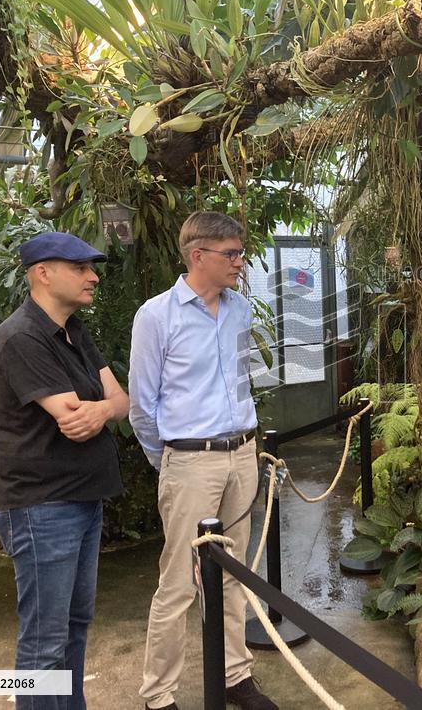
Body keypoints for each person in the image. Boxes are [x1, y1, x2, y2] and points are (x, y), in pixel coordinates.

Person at [129, 212, 276, 710]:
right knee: (178, 583)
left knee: (235, 574)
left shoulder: (240, 310)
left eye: (240, 252)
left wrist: (245, 451)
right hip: (191, 461)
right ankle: (159, 695)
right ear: (198, 256)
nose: (240, 262)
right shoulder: (156, 316)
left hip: (243, 456)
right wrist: (172, 461)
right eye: (231, 254)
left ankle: (236, 677)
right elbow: (141, 406)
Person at [0, 231, 129, 710]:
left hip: (81, 500)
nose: (92, 277)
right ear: (43, 274)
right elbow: (75, 420)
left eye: (92, 267)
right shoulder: (22, 336)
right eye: (80, 268)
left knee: (73, 628)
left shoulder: (74, 331)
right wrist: (102, 407)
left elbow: (120, 401)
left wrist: (105, 409)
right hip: (42, 508)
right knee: (44, 644)